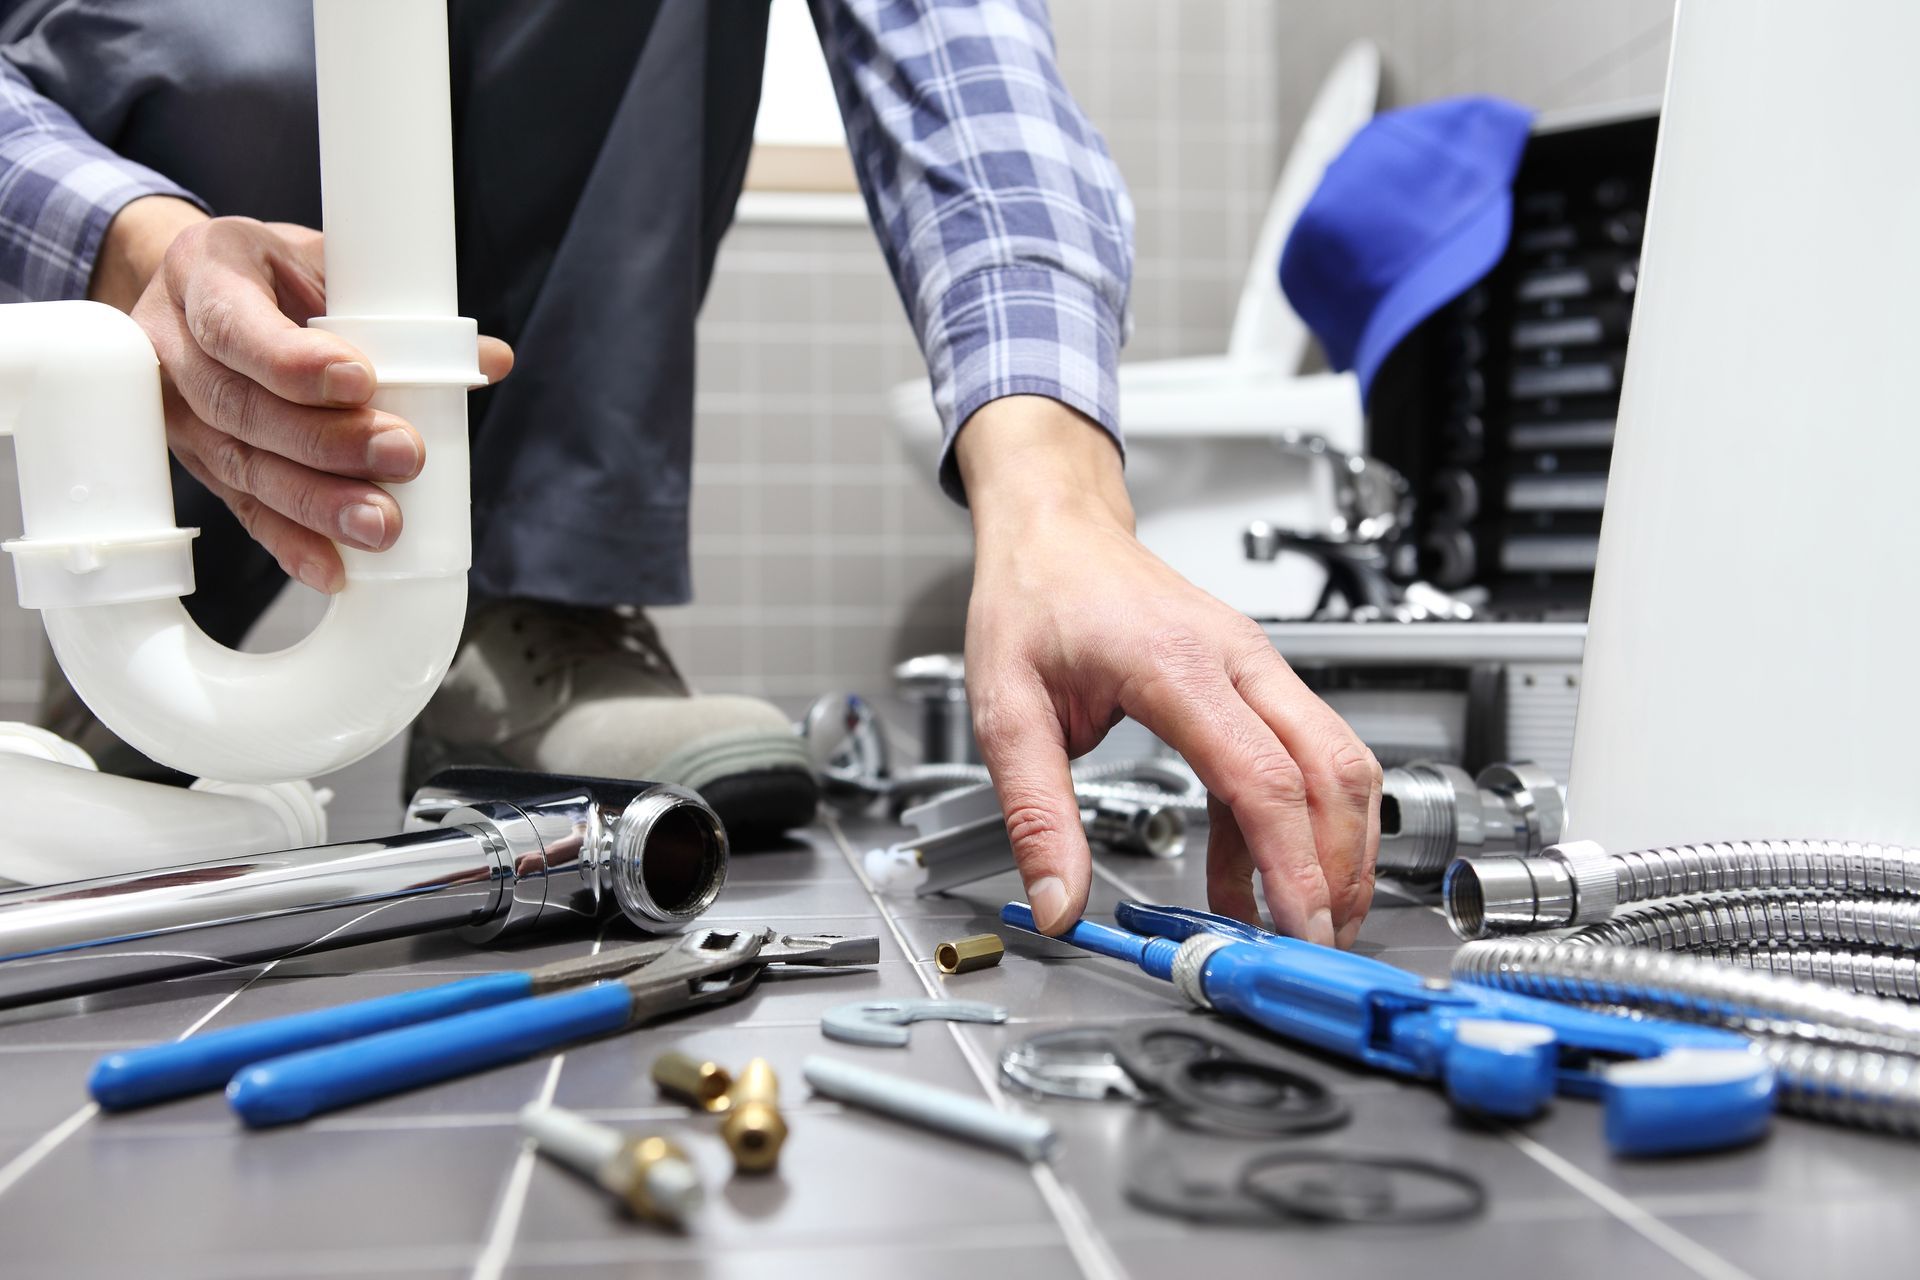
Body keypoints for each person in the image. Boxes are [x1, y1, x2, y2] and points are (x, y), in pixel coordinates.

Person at [0, 1, 1381, 946]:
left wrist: (1057, 494)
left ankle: (535, 598)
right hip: (157, 172)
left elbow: (954, 48)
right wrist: (127, 249)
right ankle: (145, 632)